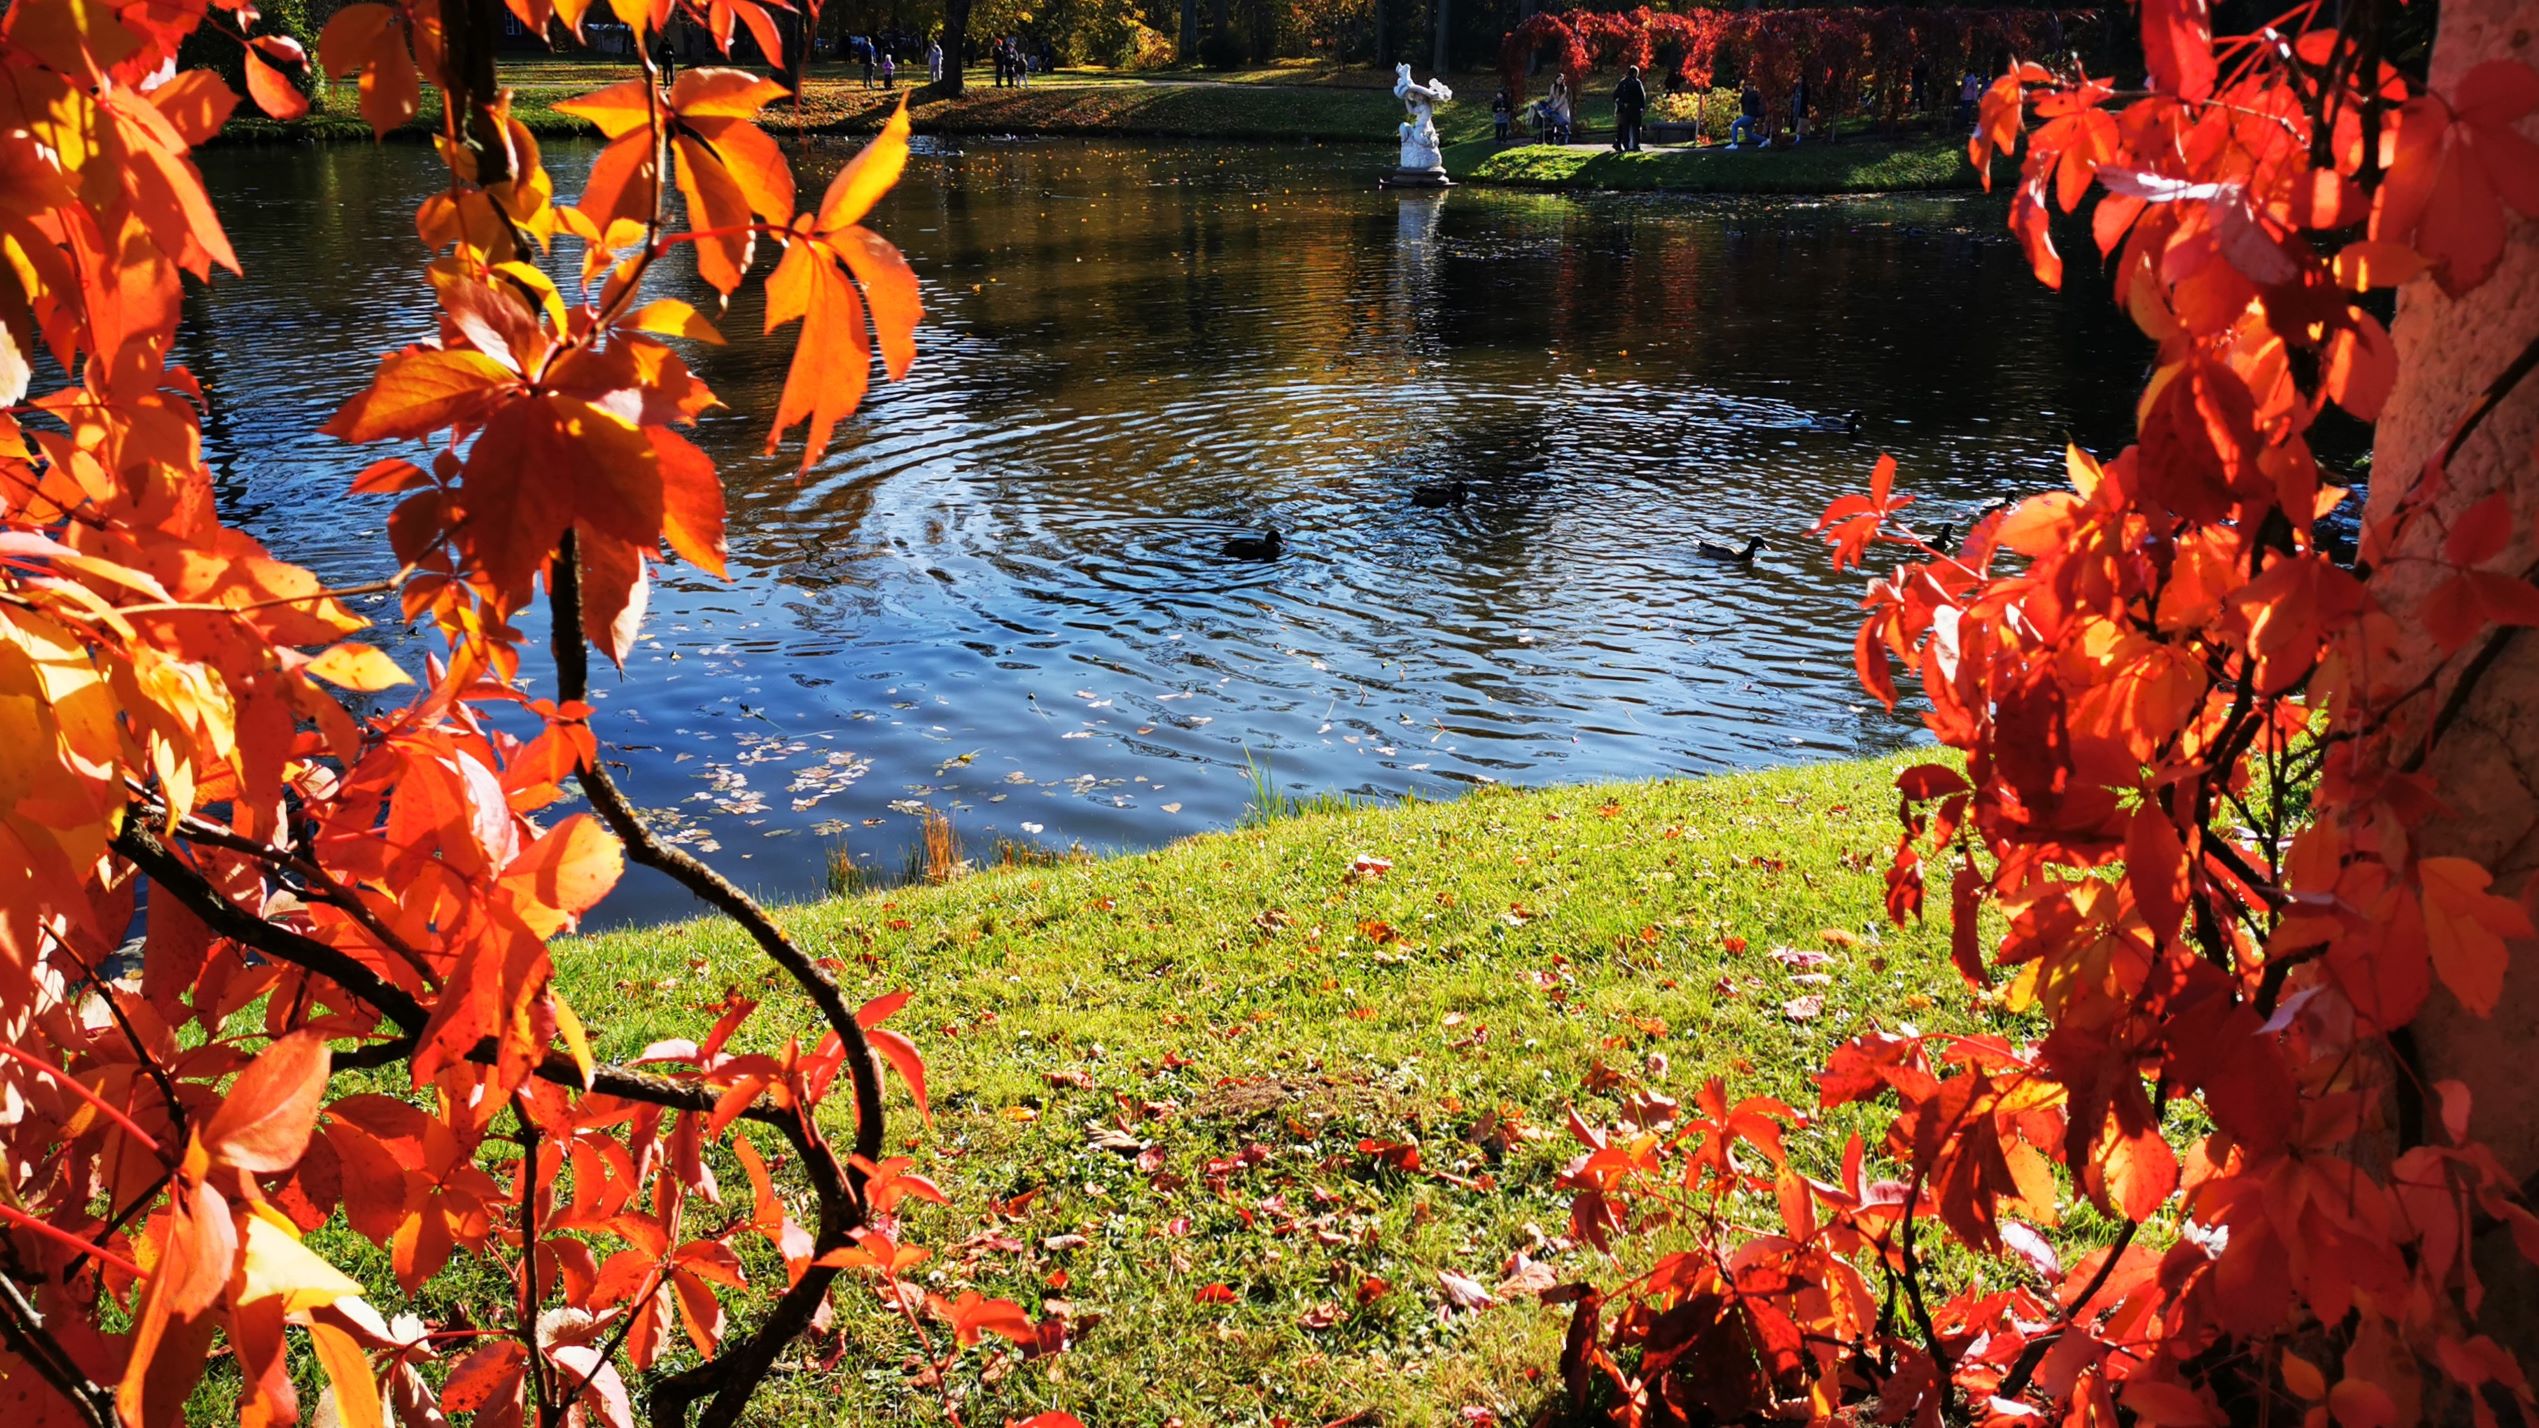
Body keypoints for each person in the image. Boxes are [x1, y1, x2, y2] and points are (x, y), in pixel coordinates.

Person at [1612, 63, 1647, 152]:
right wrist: (1642, 107)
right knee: (1636, 127)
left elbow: (1615, 95)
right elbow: (1642, 96)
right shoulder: (1637, 82)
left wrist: (1620, 105)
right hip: (1635, 108)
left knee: (1625, 128)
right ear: (1635, 73)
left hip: (1625, 109)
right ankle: (1636, 146)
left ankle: (1626, 146)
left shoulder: (1623, 82)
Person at [1729, 81, 1764, 147]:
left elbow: (1760, 104)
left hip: (1750, 115)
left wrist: (1760, 115)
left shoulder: (1756, 94)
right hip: (1747, 114)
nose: (1747, 87)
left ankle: (1734, 144)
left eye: (1749, 85)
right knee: (1748, 134)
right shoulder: (1745, 95)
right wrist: (1743, 92)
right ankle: (1765, 140)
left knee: (1735, 125)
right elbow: (1741, 102)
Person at [1788, 74, 1807, 145]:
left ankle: (1799, 138)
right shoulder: (1796, 87)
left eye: (1800, 79)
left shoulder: (1805, 88)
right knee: (1793, 121)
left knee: (1801, 121)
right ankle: (1793, 136)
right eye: (1798, 79)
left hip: (1801, 107)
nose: (1799, 80)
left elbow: (1805, 100)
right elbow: (1793, 96)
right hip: (1795, 107)